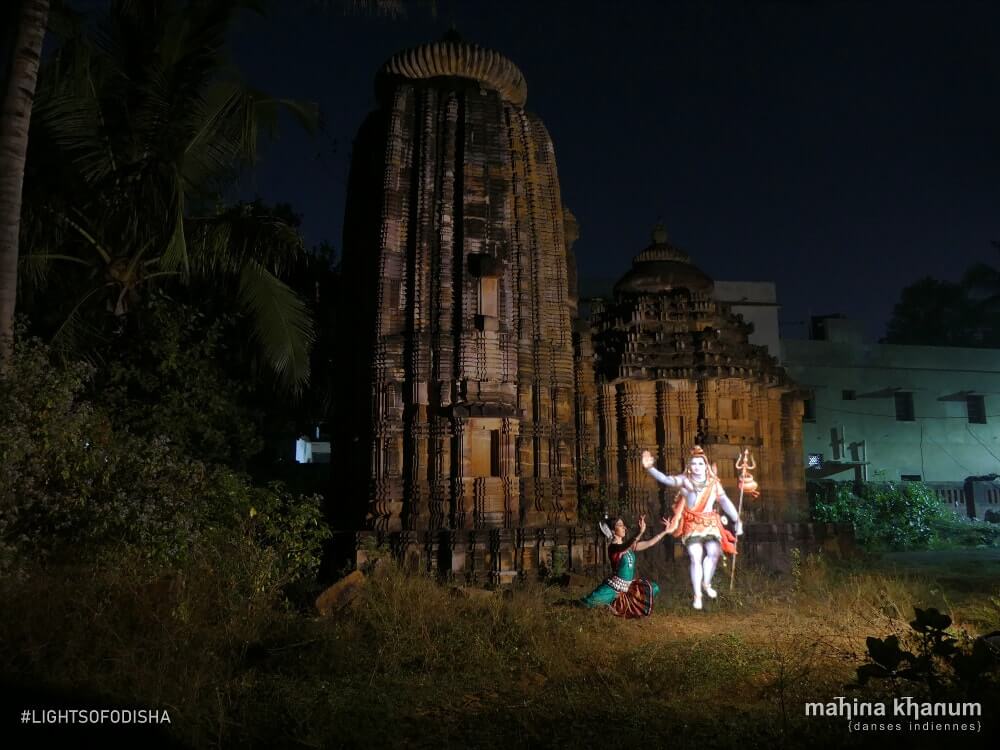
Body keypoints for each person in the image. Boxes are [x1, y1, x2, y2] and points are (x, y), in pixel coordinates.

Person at [641, 446, 743, 610]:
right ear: (689, 466)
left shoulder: (713, 483)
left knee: (714, 554)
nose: (697, 466)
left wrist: (737, 520)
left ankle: (706, 583)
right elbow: (666, 479)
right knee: (696, 556)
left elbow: (724, 501)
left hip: (710, 523)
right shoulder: (684, 481)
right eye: (693, 463)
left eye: (700, 464)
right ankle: (697, 595)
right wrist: (650, 468)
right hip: (692, 524)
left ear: (706, 465)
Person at [580, 514, 670, 617]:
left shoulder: (629, 547)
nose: (624, 528)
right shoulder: (613, 548)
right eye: (620, 525)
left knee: (654, 588)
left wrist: (665, 531)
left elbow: (649, 543)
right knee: (588, 603)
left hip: (628, 587)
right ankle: (612, 603)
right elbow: (623, 547)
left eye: (623, 525)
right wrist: (639, 532)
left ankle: (615, 606)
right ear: (613, 531)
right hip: (613, 588)